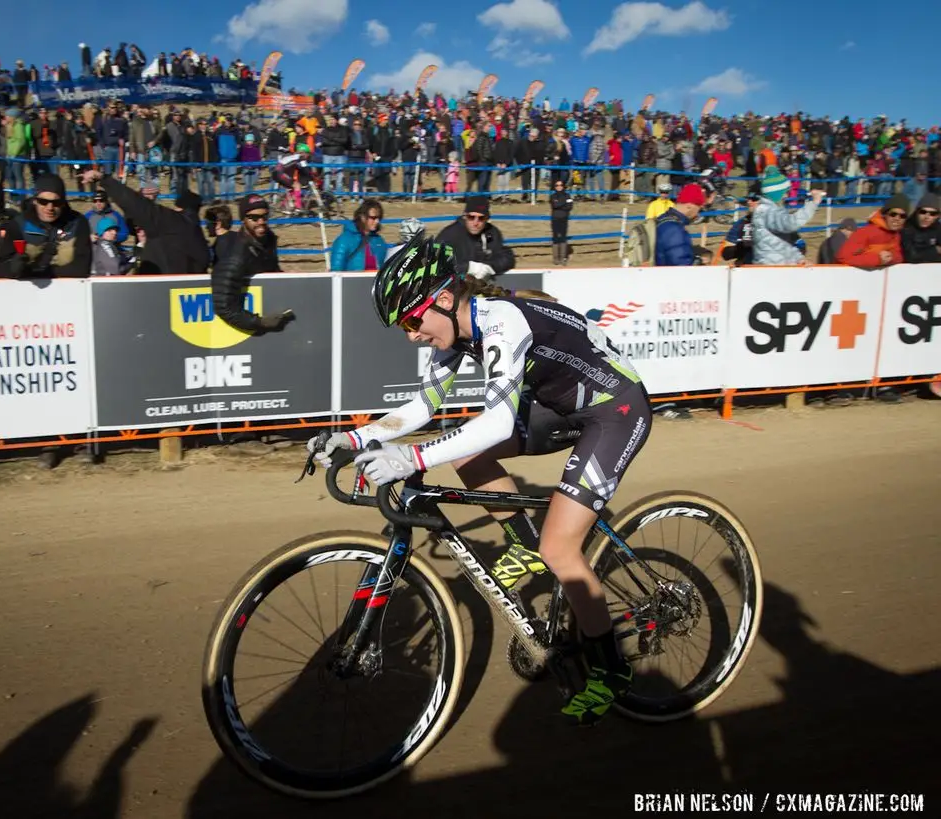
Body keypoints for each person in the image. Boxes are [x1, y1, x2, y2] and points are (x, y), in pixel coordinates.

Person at [307, 235, 650, 726]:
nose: (411, 335)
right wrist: (356, 439)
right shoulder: (455, 332)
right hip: (560, 406)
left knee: (560, 548)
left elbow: (497, 423)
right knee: (465, 454)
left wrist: (411, 458)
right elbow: (423, 406)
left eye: (411, 319)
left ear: (443, 299)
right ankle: (523, 545)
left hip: (613, 410)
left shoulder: (500, 321)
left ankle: (611, 671)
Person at [81, 168, 209, 274]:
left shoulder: (172, 221)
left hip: (158, 290)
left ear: (179, 207)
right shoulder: (200, 238)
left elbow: (137, 204)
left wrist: (104, 180)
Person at [211, 194, 295, 334]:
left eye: (265, 217)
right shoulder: (236, 255)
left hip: (272, 319)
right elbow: (223, 306)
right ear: (243, 219)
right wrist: (259, 322)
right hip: (246, 330)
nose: (261, 222)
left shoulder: (269, 240)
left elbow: (272, 270)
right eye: (254, 218)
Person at [751, 167, 825, 266]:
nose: (786, 196)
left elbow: (784, 244)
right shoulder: (767, 212)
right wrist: (814, 203)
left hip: (780, 269)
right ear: (776, 193)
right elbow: (792, 223)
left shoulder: (773, 211)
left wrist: (799, 259)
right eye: (785, 192)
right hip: (770, 271)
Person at [435, 195, 516, 280]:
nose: (475, 223)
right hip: (455, 287)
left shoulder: (492, 233)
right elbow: (435, 264)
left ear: (487, 218)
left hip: (483, 286)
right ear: (465, 216)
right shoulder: (449, 235)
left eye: (481, 218)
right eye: (471, 217)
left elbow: (507, 258)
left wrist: (489, 267)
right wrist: (468, 267)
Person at [835, 193, 907, 269]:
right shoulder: (865, 232)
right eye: (893, 214)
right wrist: (877, 259)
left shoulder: (896, 235)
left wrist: (892, 257)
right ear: (885, 215)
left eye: (902, 216)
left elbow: (898, 255)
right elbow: (843, 257)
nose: (897, 218)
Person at [653, 183, 704, 267]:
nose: (698, 214)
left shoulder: (662, 218)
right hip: (666, 278)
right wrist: (698, 262)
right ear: (690, 206)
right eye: (699, 209)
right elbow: (680, 265)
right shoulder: (674, 229)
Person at [329, 199, 388, 271]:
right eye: (373, 218)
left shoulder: (380, 241)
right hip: (352, 281)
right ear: (362, 217)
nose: (377, 221)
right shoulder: (344, 241)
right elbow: (336, 272)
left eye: (379, 218)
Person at [549, 178, 573, 267]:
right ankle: (556, 258)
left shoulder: (568, 195)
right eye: (557, 185)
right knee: (555, 238)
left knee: (563, 238)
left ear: (563, 186)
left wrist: (560, 204)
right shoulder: (553, 196)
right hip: (555, 219)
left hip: (564, 219)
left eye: (560, 185)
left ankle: (563, 258)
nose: (559, 187)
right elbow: (554, 205)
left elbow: (570, 207)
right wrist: (563, 203)